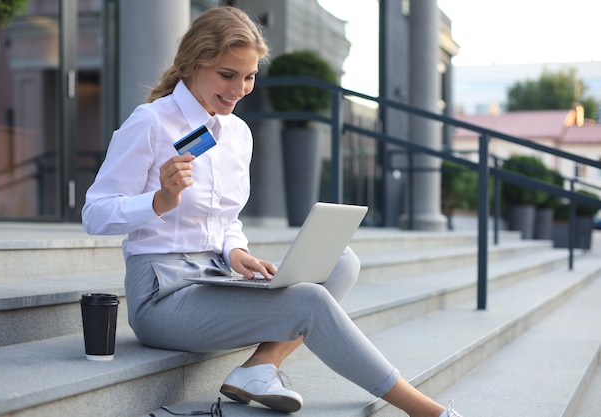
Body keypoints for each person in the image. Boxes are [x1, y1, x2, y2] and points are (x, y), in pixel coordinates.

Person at [82, 6, 463, 417]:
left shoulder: (237, 134)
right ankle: (425, 410)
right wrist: (159, 201)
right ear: (194, 64)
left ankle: (261, 365)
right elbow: (95, 214)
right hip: (162, 296)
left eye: (248, 77)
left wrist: (235, 251)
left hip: (215, 276)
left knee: (341, 261)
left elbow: (226, 220)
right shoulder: (151, 123)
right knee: (310, 301)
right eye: (227, 75)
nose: (239, 88)